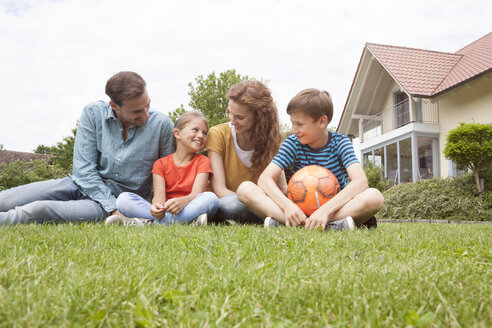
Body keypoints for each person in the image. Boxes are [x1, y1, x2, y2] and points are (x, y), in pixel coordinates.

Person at [0, 71, 174, 225]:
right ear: (114, 106)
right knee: (6, 199)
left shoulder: (162, 125)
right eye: (136, 111)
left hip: (113, 202)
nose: (145, 115)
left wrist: (116, 208)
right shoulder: (93, 113)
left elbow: (169, 174)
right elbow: (83, 170)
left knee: (38, 210)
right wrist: (112, 207)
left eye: (147, 105)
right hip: (77, 184)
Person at [237, 88, 384, 230]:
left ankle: (304, 224)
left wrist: (324, 211)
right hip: (298, 210)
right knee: (245, 189)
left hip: (333, 210)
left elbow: (360, 181)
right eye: (292, 123)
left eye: (299, 124)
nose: (294, 130)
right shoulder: (292, 143)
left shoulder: (340, 142)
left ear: (322, 122)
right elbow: (264, 179)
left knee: (375, 197)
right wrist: (287, 206)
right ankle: (323, 225)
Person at [106, 111, 219, 226]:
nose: (201, 135)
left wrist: (182, 202)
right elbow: (158, 198)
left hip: (189, 207)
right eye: (195, 130)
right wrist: (156, 207)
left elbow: (197, 193)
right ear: (177, 133)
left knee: (211, 198)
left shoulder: (203, 161)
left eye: (204, 133)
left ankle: (147, 223)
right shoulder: (160, 164)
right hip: (166, 211)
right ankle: (183, 222)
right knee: (123, 199)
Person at [205, 80, 286, 224]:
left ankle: (273, 218)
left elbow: (282, 189)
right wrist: (252, 201)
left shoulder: (271, 140)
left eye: (240, 117)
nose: (232, 120)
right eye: (230, 113)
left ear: (258, 117)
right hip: (230, 201)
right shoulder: (218, 134)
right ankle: (275, 219)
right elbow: (220, 190)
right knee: (229, 205)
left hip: (263, 203)